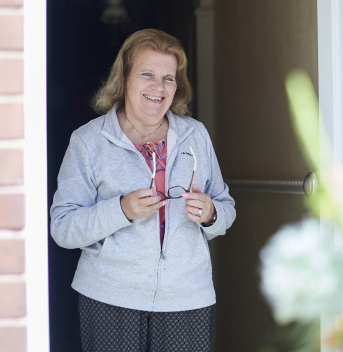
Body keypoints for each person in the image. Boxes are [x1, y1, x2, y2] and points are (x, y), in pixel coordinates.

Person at [50, 28, 236, 352]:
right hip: (109, 298)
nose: (158, 87)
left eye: (169, 77)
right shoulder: (88, 141)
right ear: (124, 78)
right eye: (147, 74)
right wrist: (120, 210)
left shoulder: (196, 135)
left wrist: (211, 214)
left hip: (187, 299)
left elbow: (225, 206)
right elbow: (63, 228)